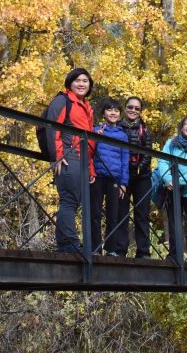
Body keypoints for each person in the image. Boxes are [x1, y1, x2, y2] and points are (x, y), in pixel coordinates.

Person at [45, 68, 96, 254]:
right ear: (70, 82)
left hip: (82, 159)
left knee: (73, 202)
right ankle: (69, 245)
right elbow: (52, 129)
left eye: (85, 80)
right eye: (77, 80)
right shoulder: (63, 100)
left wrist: (90, 168)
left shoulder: (87, 107)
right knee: (69, 200)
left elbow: (89, 142)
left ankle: (66, 243)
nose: (81, 84)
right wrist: (57, 156)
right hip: (68, 156)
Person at [153, 115, 187, 264]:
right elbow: (162, 161)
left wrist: (178, 182)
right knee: (173, 222)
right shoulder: (171, 143)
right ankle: (175, 255)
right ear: (182, 127)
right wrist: (168, 180)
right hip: (171, 189)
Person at [113, 96, 153, 258]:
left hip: (141, 177)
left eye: (137, 108)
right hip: (121, 175)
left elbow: (147, 153)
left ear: (140, 111)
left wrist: (138, 169)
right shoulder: (116, 128)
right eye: (130, 107)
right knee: (121, 213)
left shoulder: (145, 131)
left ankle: (143, 251)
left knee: (142, 214)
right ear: (125, 108)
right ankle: (120, 249)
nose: (133, 110)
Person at [90, 98, 130, 256]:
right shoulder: (95, 130)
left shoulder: (122, 136)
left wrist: (124, 183)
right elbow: (89, 153)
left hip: (115, 179)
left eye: (116, 110)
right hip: (98, 176)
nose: (113, 113)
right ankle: (95, 248)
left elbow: (125, 160)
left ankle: (111, 249)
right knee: (95, 213)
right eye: (109, 109)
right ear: (103, 113)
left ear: (120, 114)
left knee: (113, 214)